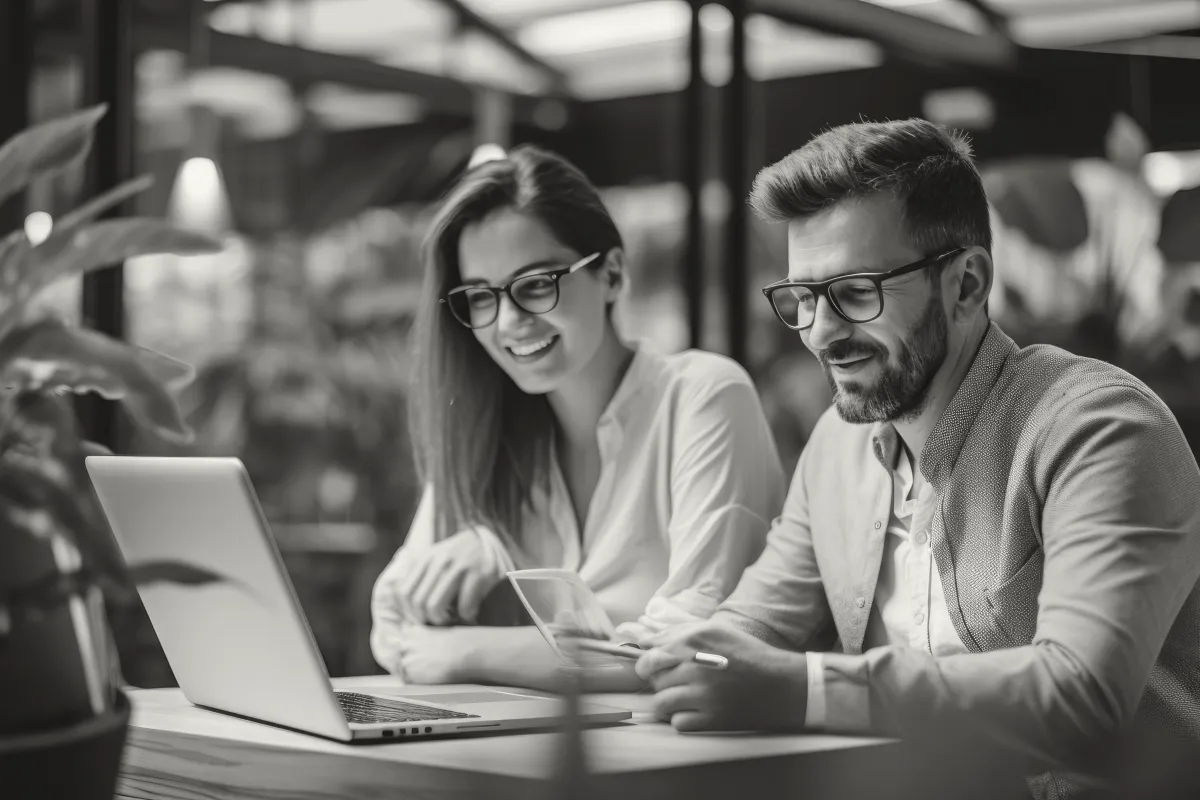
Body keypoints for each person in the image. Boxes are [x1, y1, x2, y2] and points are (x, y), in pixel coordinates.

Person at [633, 119, 1200, 798]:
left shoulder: (1098, 428)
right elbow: (748, 633)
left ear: (966, 284)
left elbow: (1081, 696)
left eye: (854, 293)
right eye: (803, 298)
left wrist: (805, 689)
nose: (821, 334)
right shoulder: (837, 451)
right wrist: (676, 657)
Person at [370, 144, 786, 693]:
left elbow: (693, 647)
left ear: (611, 274)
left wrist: (472, 649)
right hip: (531, 754)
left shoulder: (704, 396)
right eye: (481, 296)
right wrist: (487, 540)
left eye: (537, 284)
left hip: (688, 761)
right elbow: (394, 624)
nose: (511, 322)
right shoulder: (487, 440)